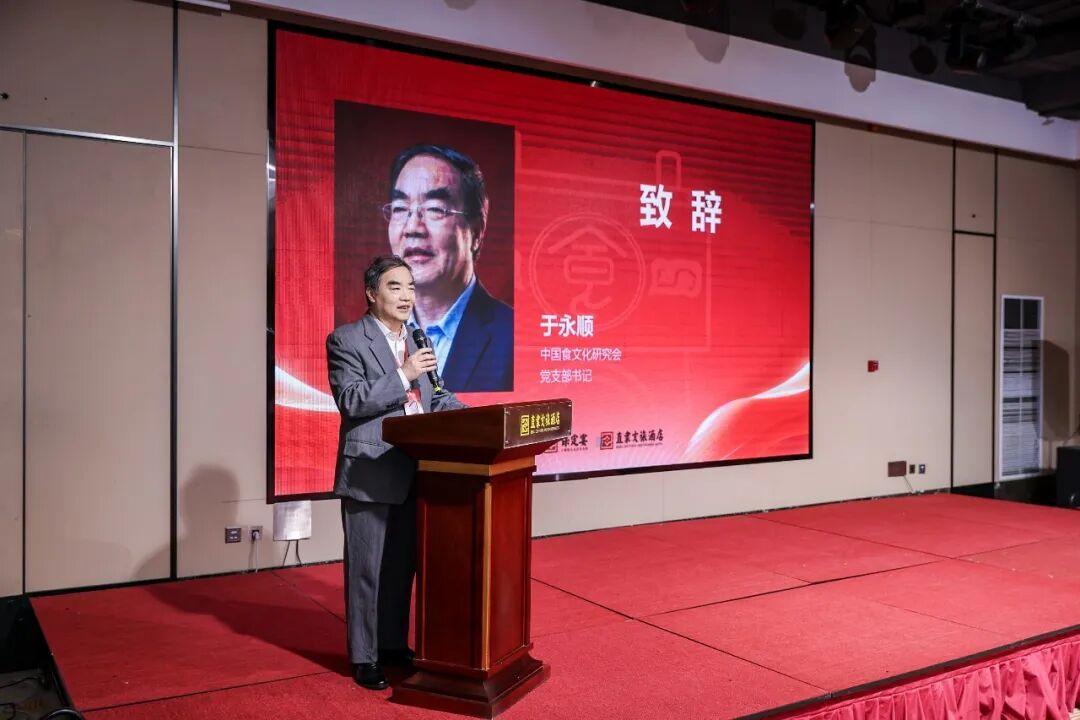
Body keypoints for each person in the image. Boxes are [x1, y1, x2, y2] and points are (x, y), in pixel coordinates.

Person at [326, 254, 465, 690]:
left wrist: (475, 417)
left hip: (415, 470)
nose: (406, 296)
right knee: (366, 571)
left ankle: (390, 644)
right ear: (372, 293)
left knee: (400, 569)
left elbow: (436, 398)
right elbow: (352, 400)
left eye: (410, 287)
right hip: (371, 471)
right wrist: (404, 373)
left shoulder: (418, 339)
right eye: (395, 286)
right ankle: (364, 657)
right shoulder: (347, 339)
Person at [383, 144, 513, 392]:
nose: (412, 228)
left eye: (434, 209)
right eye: (400, 209)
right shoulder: (371, 333)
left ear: (476, 231)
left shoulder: (510, 338)